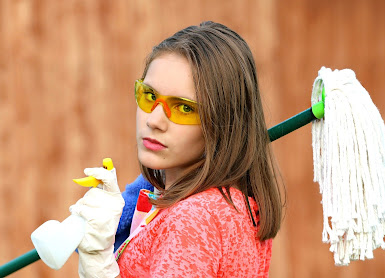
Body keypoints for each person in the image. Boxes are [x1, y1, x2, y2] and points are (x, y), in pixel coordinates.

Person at [70, 21, 284, 278]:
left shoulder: (193, 221)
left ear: (223, 124)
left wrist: (98, 267)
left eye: (184, 108)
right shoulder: (232, 205)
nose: (154, 120)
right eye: (149, 96)